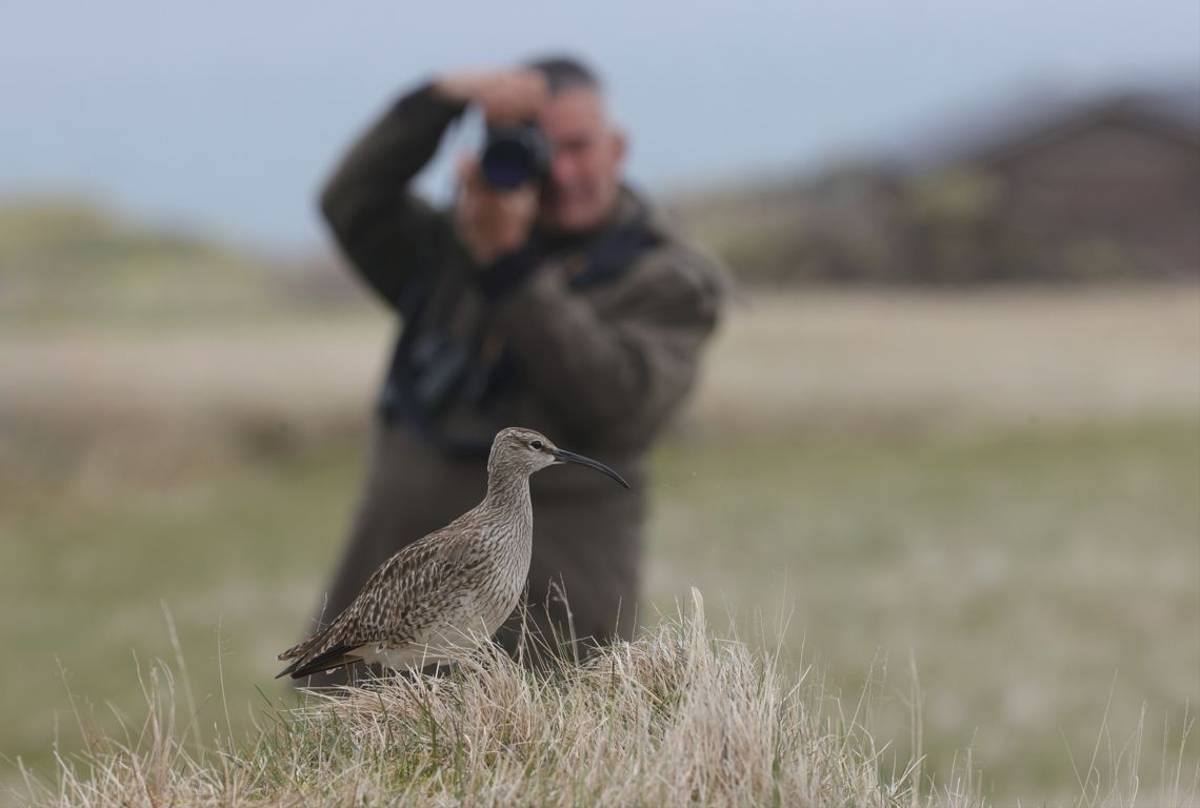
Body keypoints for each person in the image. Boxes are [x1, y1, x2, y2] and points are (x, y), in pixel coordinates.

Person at [308, 55, 726, 681]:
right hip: (393, 629)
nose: (559, 171)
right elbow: (351, 204)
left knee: (526, 769)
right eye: (536, 150)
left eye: (578, 147)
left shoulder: (667, 281)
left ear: (617, 148)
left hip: (545, 632)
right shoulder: (453, 251)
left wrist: (511, 267)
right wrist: (438, 102)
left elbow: (618, 402)